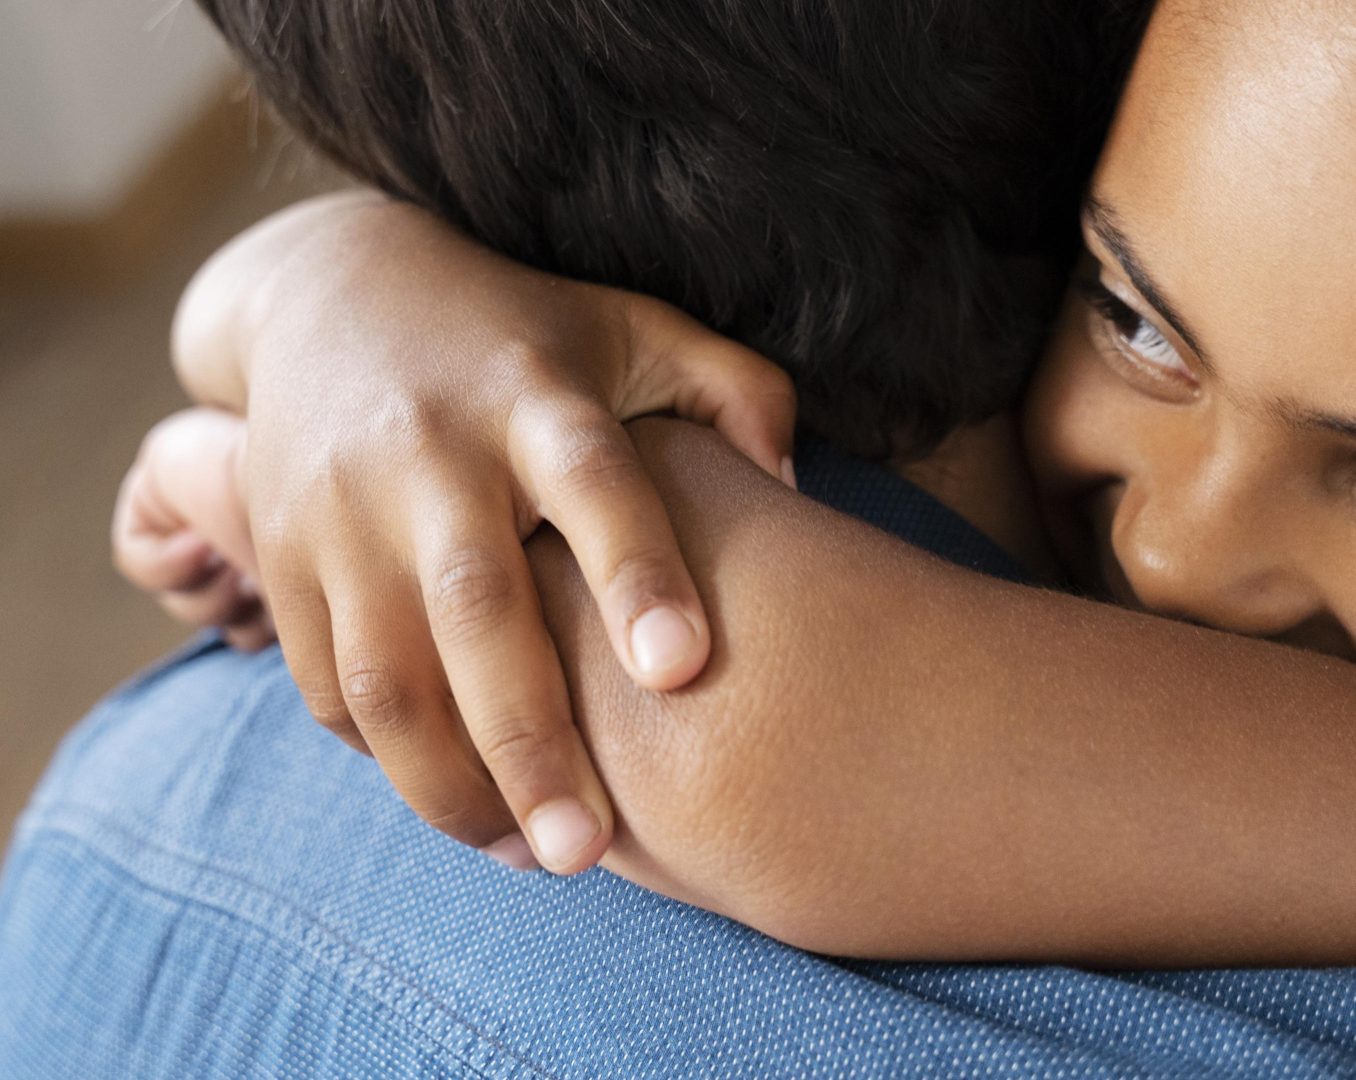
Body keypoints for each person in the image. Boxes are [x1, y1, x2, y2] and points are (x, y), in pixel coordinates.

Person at [5, 0, 1356, 1075]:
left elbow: (746, 729)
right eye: (1129, 320)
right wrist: (322, 296)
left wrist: (316, 297)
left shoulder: (109, 805)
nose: (1171, 554)